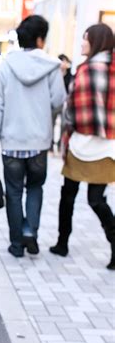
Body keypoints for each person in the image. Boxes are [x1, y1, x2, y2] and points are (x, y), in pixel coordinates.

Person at [0, 15, 66, 257]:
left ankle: (16, 244)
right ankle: (30, 230)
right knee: (35, 188)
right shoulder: (52, 67)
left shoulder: (5, 67)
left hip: (11, 143)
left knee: (13, 192)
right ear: (41, 39)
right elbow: (58, 101)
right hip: (39, 142)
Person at [50, 23, 115, 269]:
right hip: (108, 146)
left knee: (68, 195)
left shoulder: (86, 70)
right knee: (97, 200)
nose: (82, 43)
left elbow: (71, 109)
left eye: (86, 39)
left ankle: (62, 243)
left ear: (96, 42)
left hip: (81, 143)